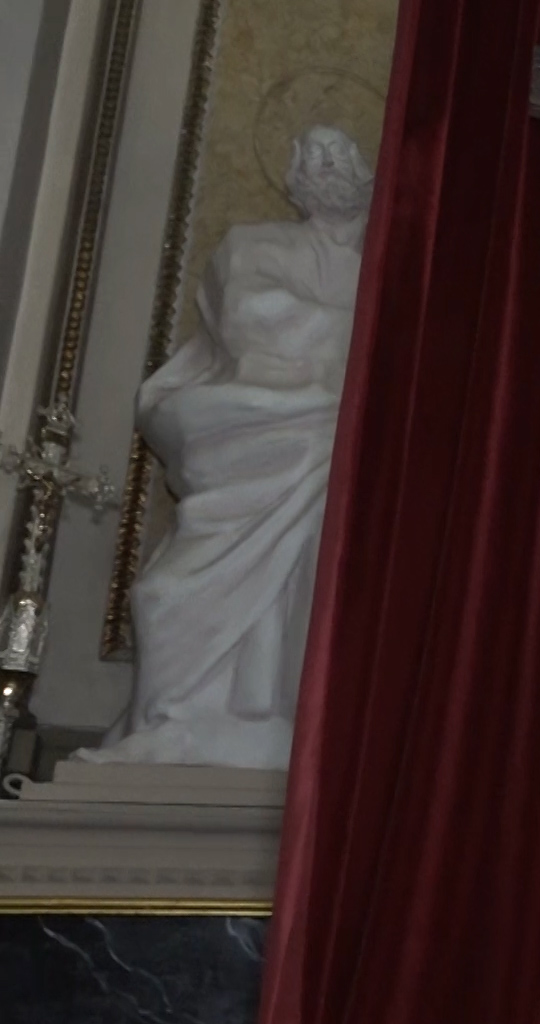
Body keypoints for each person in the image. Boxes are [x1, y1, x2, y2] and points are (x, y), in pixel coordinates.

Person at [78, 126, 373, 769]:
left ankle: (273, 717)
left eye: (339, 153)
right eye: (312, 152)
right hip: (254, 422)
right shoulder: (253, 244)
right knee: (166, 594)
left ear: (365, 172)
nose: (325, 163)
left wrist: (331, 339)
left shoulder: (387, 269)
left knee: (321, 549)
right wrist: (347, 338)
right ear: (294, 175)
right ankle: (174, 714)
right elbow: (247, 319)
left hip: (337, 434)